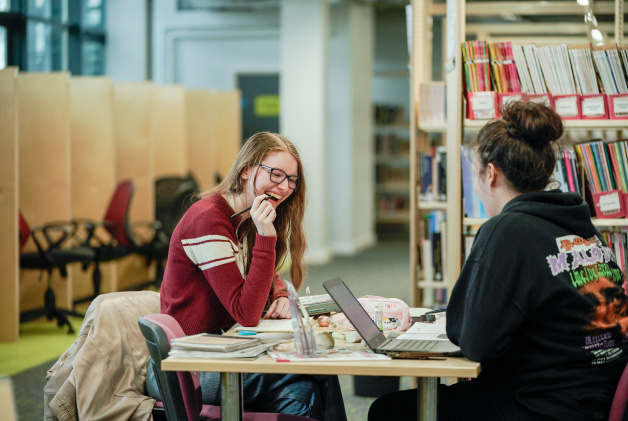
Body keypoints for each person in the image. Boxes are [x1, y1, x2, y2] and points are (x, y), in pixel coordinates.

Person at [368, 101, 628, 420]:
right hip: (592, 395)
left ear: (491, 174)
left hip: (541, 406)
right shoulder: (577, 222)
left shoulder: (507, 229)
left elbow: (477, 344)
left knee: (389, 411)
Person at [151, 132, 346, 420]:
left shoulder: (244, 217)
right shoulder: (209, 220)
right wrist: (267, 236)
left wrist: (279, 293)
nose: (284, 187)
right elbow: (246, 313)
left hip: (223, 349)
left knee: (314, 379)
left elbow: (260, 272)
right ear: (245, 170)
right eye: (276, 174)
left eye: (292, 180)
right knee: (307, 381)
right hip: (189, 366)